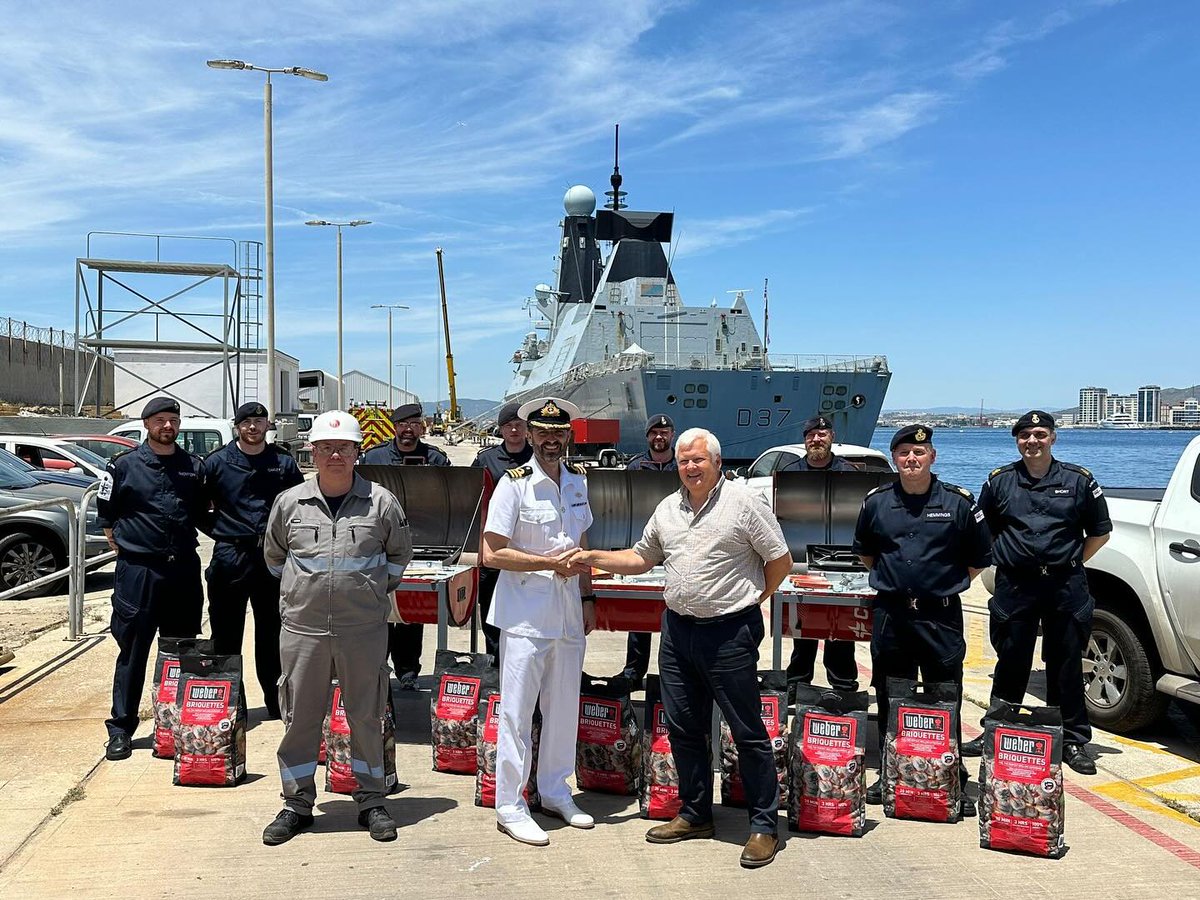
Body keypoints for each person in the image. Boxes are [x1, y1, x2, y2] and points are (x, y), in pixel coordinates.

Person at [567, 428, 792, 869]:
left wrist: (751, 601)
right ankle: (695, 813)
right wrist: (591, 558)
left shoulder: (744, 504)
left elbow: (779, 560)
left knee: (746, 731)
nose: (690, 467)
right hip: (677, 633)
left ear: (717, 462)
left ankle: (764, 825)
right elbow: (641, 557)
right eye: (683, 461)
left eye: (698, 460)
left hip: (729, 633)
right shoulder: (668, 508)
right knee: (684, 728)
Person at [261, 410, 412, 846]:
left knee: (366, 716)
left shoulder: (381, 502)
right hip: (303, 629)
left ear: (356, 452)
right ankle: (296, 804)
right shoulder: (289, 503)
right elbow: (274, 558)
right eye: (326, 447)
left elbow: (399, 557)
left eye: (343, 447)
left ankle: (371, 800)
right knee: (299, 718)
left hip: (362, 630)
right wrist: (302, 594)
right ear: (312, 451)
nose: (334, 455)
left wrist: (365, 592)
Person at [853, 425, 992, 816]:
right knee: (890, 694)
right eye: (903, 453)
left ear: (933, 456)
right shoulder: (876, 502)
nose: (911, 459)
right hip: (892, 614)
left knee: (944, 694)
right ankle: (891, 771)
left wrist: (940, 585)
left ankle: (952, 776)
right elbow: (866, 552)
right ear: (894, 458)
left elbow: (979, 558)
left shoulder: (960, 502)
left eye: (919, 451)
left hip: (939, 614)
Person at [961, 411, 1111, 774]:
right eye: (1025, 435)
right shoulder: (999, 482)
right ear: (1017, 441)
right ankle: (997, 730)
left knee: (1066, 663)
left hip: (1064, 585)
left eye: (1040, 434)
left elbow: (1100, 532)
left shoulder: (1079, 481)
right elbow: (984, 532)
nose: (1032, 441)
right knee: (1011, 660)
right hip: (1016, 584)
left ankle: (1072, 741)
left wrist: (1069, 561)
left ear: (1053, 438)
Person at [481, 396, 597, 847]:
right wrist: (548, 564)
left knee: (564, 706)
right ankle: (510, 805)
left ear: (568, 436)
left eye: (559, 432)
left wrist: (588, 594)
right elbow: (493, 551)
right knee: (515, 711)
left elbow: (582, 538)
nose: (551, 440)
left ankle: (554, 789)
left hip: (568, 611)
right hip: (526, 616)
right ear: (528, 435)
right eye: (542, 433)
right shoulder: (514, 485)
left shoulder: (577, 481)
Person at [96, 397, 208, 761]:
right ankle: (121, 729)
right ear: (146, 424)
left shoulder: (193, 467)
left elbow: (203, 510)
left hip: (182, 571)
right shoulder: (123, 466)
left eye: (173, 420)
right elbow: (107, 513)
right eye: (160, 420)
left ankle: (179, 724)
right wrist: (118, 536)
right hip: (139, 573)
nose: (168, 426)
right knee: (133, 650)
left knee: (182, 653)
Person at [201, 401, 304, 719]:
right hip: (231, 554)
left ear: (267, 425)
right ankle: (232, 703)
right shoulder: (217, 463)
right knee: (226, 633)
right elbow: (197, 506)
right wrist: (220, 530)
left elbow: (300, 504)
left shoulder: (283, 463)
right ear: (237, 426)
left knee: (273, 632)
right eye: (247, 422)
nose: (253, 427)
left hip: (272, 556)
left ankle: (276, 702)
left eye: (259, 421)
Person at [362, 402, 449, 690]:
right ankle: (376, 665)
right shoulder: (375, 457)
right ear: (394, 427)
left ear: (421, 427)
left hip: (421, 542)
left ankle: (408, 670)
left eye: (414, 424)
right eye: (402, 424)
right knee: (379, 609)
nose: (408, 429)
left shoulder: (435, 459)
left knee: (411, 611)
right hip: (380, 544)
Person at [779, 415, 861, 694]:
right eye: (811, 435)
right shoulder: (791, 472)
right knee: (803, 628)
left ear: (831, 437)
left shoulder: (849, 472)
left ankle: (843, 684)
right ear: (805, 440)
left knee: (840, 629)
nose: (816, 439)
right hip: (803, 563)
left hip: (842, 564)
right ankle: (798, 683)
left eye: (821, 434)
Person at [471, 400, 533, 665]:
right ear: (501, 430)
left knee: (525, 612)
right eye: (509, 426)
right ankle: (494, 663)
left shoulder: (537, 458)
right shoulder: (486, 460)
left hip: (528, 546)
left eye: (519, 425)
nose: (514, 431)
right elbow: (472, 501)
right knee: (491, 611)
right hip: (494, 548)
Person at [618, 413, 678, 687]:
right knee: (639, 615)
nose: (659, 437)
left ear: (672, 435)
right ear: (647, 437)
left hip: (677, 549)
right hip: (643, 546)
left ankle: (671, 674)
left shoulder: (684, 466)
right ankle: (633, 671)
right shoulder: (635, 467)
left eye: (664, 432)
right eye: (654, 433)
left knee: (675, 614)